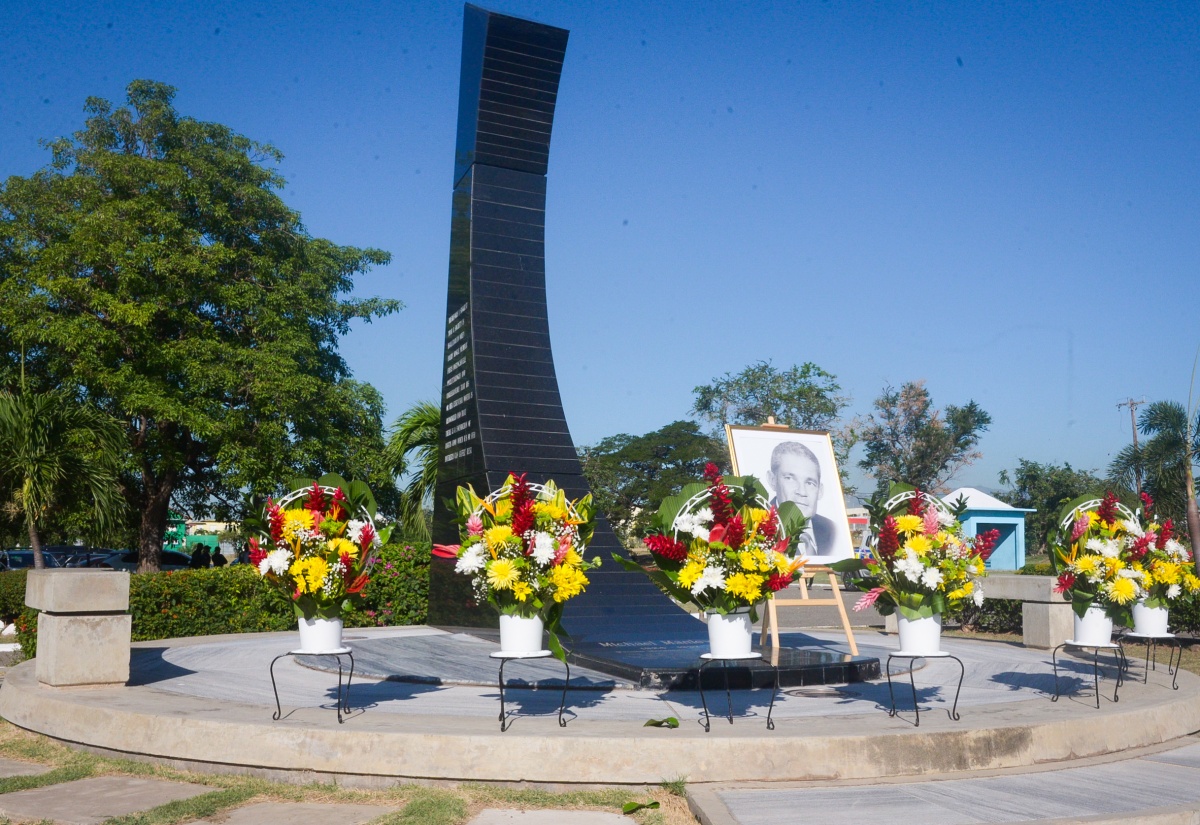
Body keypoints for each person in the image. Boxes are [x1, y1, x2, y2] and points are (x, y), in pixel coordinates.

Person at [766, 440, 836, 556]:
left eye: (810, 483)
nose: (802, 492)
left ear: (820, 490)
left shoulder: (832, 530)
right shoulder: (757, 527)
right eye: (790, 478)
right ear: (772, 480)